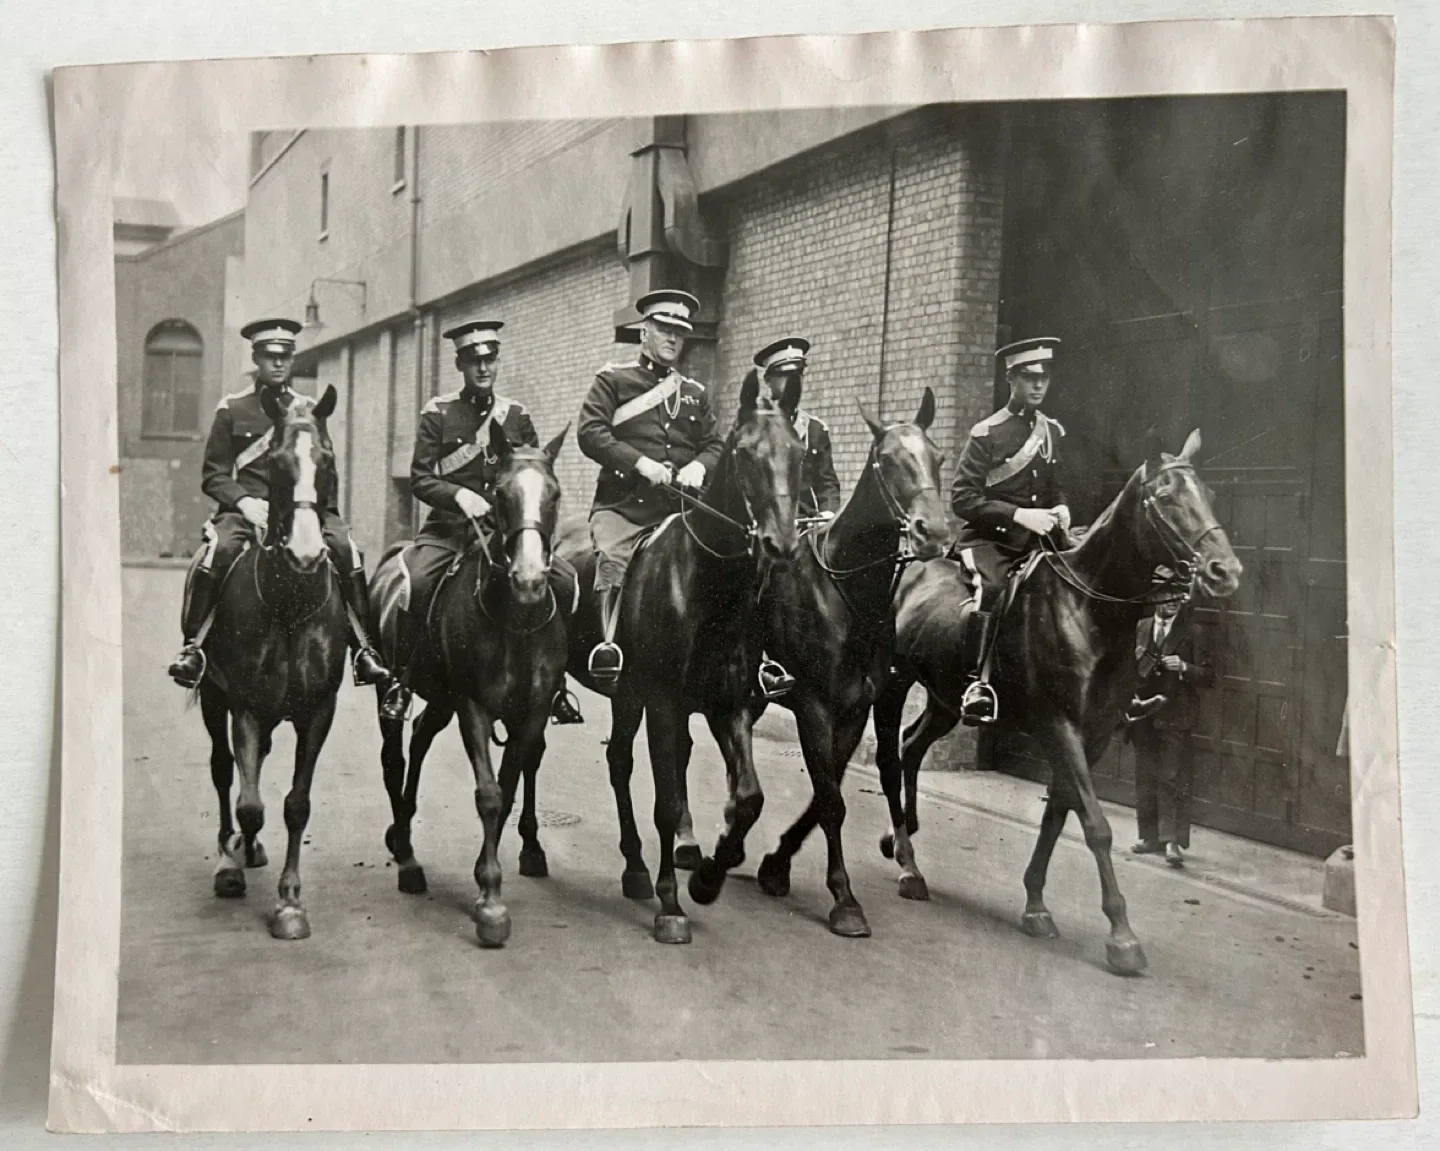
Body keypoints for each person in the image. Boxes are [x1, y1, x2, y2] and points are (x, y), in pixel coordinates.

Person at [167, 318, 389, 690]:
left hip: (304, 510)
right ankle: (193, 647)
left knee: (348, 549)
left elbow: (324, 468)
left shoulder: (310, 409)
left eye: (285, 356)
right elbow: (214, 474)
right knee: (216, 552)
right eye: (270, 356)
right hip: (246, 512)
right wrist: (243, 501)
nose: (278, 363)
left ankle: (363, 649)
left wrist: (321, 513)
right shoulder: (233, 409)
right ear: (256, 358)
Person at [377, 320, 553, 722]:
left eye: (490, 359)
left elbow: (534, 471)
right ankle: (402, 682)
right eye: (474, 361)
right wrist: (459, 495)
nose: (484, 368)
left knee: (554, 578)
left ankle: (552, 683)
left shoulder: (517, 416)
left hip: (504, 532)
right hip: (449, 532)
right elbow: (421, 478)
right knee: (417, 584)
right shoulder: (438, 413)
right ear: (460, 364)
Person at [577, 289, 724, 692]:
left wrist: (698, 465)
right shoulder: (614, 380)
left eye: (680, 331)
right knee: (610, 557)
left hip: (679, 512)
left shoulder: (693, 392)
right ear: (644, 331)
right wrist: (639, 463)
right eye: (664, 329)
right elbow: (590, 433)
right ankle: (607, 646)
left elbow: (715, 444)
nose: (673, 338)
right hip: (624, 508)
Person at [949, 335, 1071, 724]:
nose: (1038, 385)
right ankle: (977, 684)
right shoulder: (986, 433)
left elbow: (1054, 485)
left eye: (1044, 377)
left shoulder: (1050, 431)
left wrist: (1063, 506)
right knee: (993, 590)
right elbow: (963, 499)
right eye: (1029, 377)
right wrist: (1018, 516)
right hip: (993, 540)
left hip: (1039, 539)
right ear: (1011, 379)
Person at [1126, 574, 1213, 866]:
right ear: (1154, 598)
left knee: (1172, 778)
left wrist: (1185, 667)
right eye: (1167, 595)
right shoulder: (1140, 627)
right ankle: (1148, 837)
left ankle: (1172, 842)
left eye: (1178, 595)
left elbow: (1210, 676)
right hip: (1144, 715)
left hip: (1176, 714)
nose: (1174, 601)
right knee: (1145, 776)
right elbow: (1126, 669)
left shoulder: (1194, 632)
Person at [752, 337, 841, 520]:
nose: (794, 382)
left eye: (798, 374)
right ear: (768, 381)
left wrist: (827, 512)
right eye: (785, 375)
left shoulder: (815, 429)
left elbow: (827, 482)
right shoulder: (753, 426)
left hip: (807, 524)